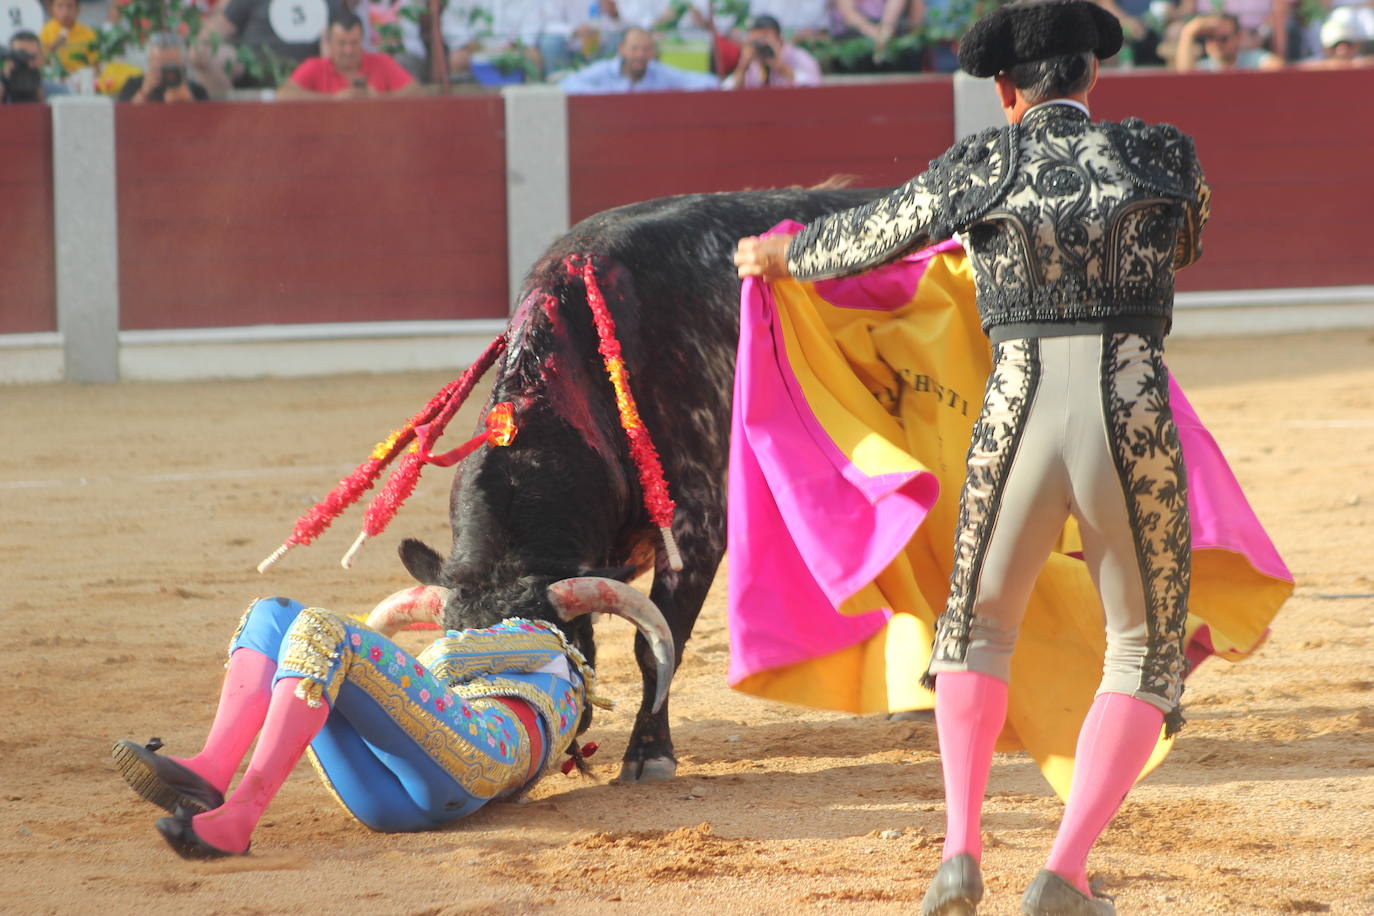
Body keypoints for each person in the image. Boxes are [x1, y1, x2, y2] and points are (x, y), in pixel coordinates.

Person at [735, 1, 1211, 913]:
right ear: (1092, 76)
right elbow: (1188, 243)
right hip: (1131, 405)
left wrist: (778, 256)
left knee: (975, 627)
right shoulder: (1165, 154)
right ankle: (1064, 872)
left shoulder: (982, 164)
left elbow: (863, 240)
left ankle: (959, 852)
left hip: (1017, 408)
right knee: (1143, 648)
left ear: (1004, 91)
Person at [112, 592, 598, 858]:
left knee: (319, 631)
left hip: (471, 763)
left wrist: (390, 646)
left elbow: (446, 656)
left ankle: (241, 813)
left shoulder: (544, 638)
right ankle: (210, 774)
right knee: (274, 615)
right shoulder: (546, 686)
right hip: (408, 791)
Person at [277, 10, 420, 99]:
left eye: (354, 42)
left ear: (362, 40)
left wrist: (379, 99)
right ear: (330, 42)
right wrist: (334, 99)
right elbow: (284, 95)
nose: (348, 50)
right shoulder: (314, 66)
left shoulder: (381, 62)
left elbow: (415, 91)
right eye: (342, 43)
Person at [558, 26, 721, 93]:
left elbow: (707, 81)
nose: (640, 55)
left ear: (652, 52)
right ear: (622, 49)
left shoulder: (658, 72)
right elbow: (567, 84)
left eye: (645, 49)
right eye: (634, 49)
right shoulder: (604, 70)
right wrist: (605, 98)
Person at [725, 14, 822, 88]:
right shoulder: (753, 63)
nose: (762, 46)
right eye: (757, 42)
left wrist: (781, 68)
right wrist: (743, 66)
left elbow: (813, 86)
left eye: (766, 40)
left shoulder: (800, 58)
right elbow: (726, 90)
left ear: (780, 40)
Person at [118, 32, 211, 103]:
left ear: (182, 64)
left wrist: (189, 101)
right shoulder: (133, 86)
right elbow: (124, 120)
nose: (167, 71)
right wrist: (144, 92)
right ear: (150, 62)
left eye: (171, 64)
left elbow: (207, 123)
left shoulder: (197, 90)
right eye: (160, 65)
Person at [1174, 12, 1282, 69]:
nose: (1216, 44)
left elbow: (1277, 68)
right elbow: (1185, 77)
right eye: (1210, 38)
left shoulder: (1252, 60)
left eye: (1223, 38)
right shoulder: (1207, 67)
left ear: (1238, 38)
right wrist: (1188, 33)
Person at [3, 30, 67, 102]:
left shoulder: (59, 94)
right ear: (9, 59)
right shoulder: (3, 85)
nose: (27, 63)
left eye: (32, 57)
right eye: (20, 57)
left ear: (41, 58)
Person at [38, 0, 97, 74]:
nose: (65, 12)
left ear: (78, 9)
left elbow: (95, 64)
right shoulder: (43, 32)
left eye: (70, 6)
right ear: (51, 9)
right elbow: (39, 63)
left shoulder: (88, 34)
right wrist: (54, 46)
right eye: (60, 6)